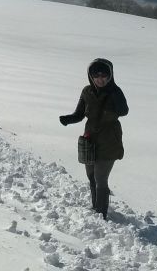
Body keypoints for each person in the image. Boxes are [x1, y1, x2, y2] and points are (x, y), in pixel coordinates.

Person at [59, 58, 129, 220]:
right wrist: (68, 119)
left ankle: (101, 215)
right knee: (91, 176)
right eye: (96, 75)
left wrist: (114, 93)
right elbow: (79, 114)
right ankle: (95, 208)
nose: (100, 79)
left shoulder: (115, 91)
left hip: (109, 139)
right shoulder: (87, 91)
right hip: (90, 138)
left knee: (101, 179)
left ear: (110, 75)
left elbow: (124, 111)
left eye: (104, 75)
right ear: (90, 76)